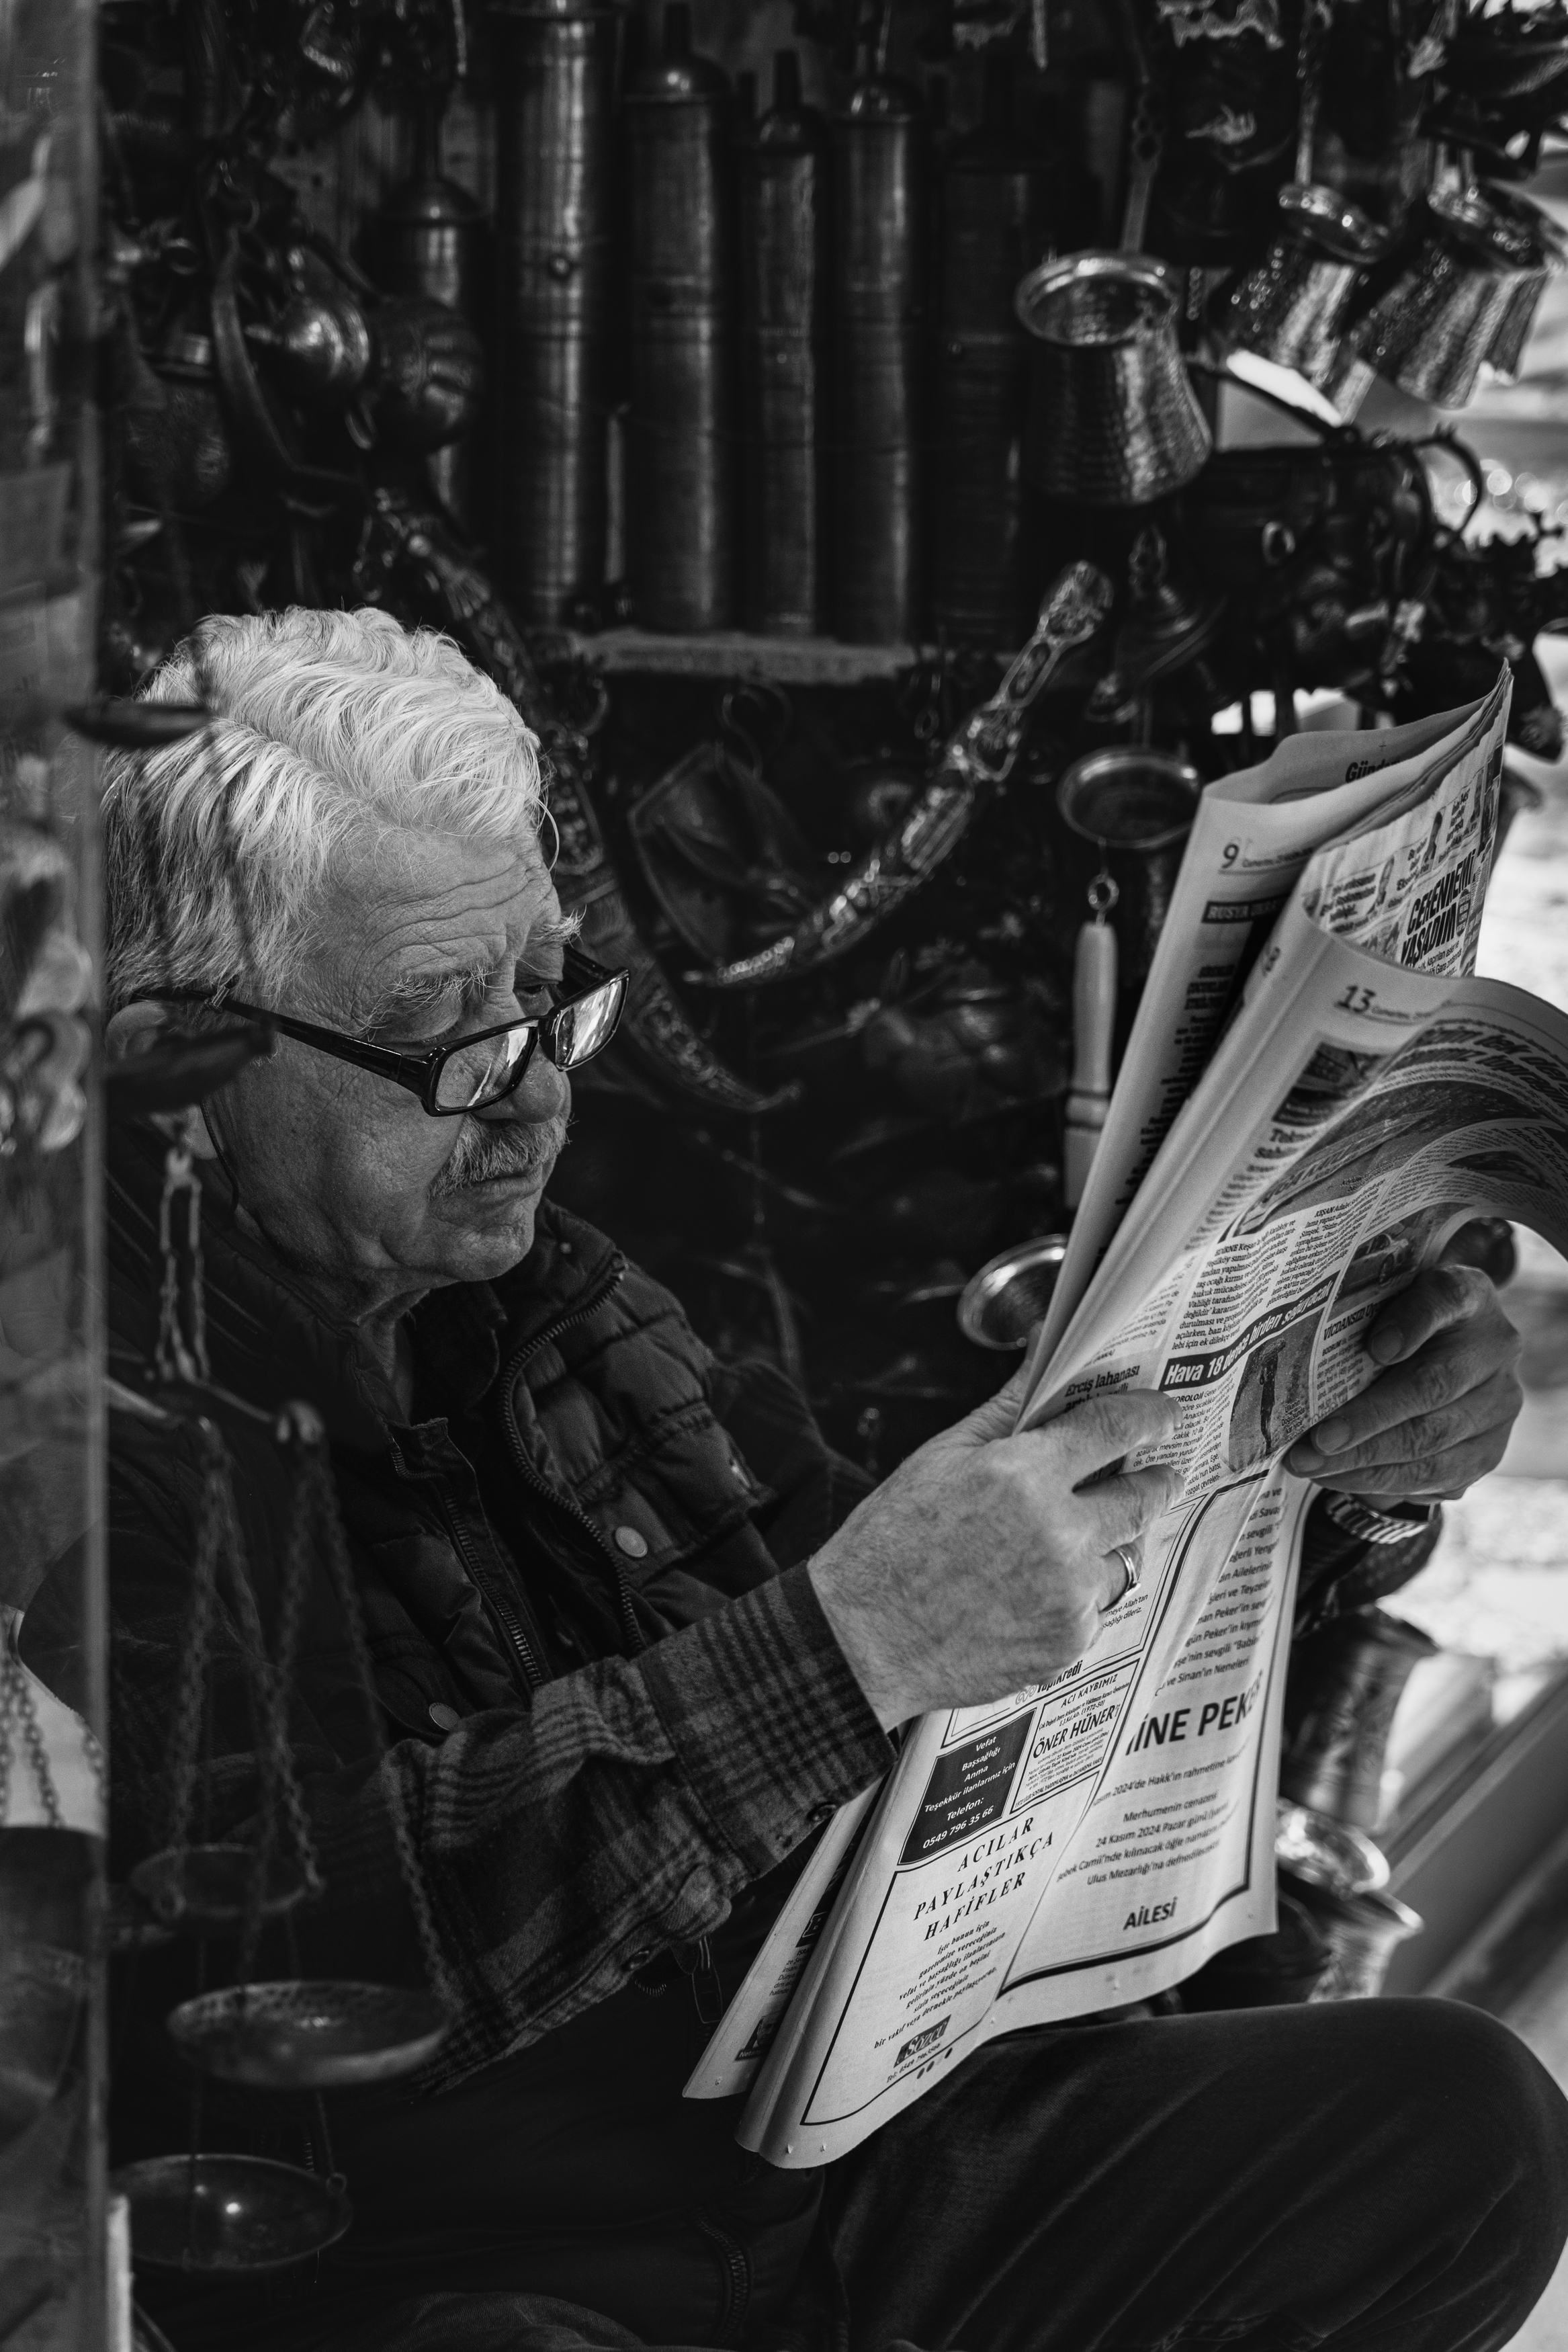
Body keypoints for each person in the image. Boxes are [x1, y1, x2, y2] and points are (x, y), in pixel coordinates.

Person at [28, 607, 1567, 2352]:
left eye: (549, 1002)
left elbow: (948, 1605)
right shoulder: (90, 1431)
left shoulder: (552, 1296)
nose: (532, 1105)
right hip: (481, 2270)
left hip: (825, 2167)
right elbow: (290, 1960)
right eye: (447, 1043)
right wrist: (842, 1655)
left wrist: (1335, 1457)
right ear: (180, 1068)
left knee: (1459, 2126)